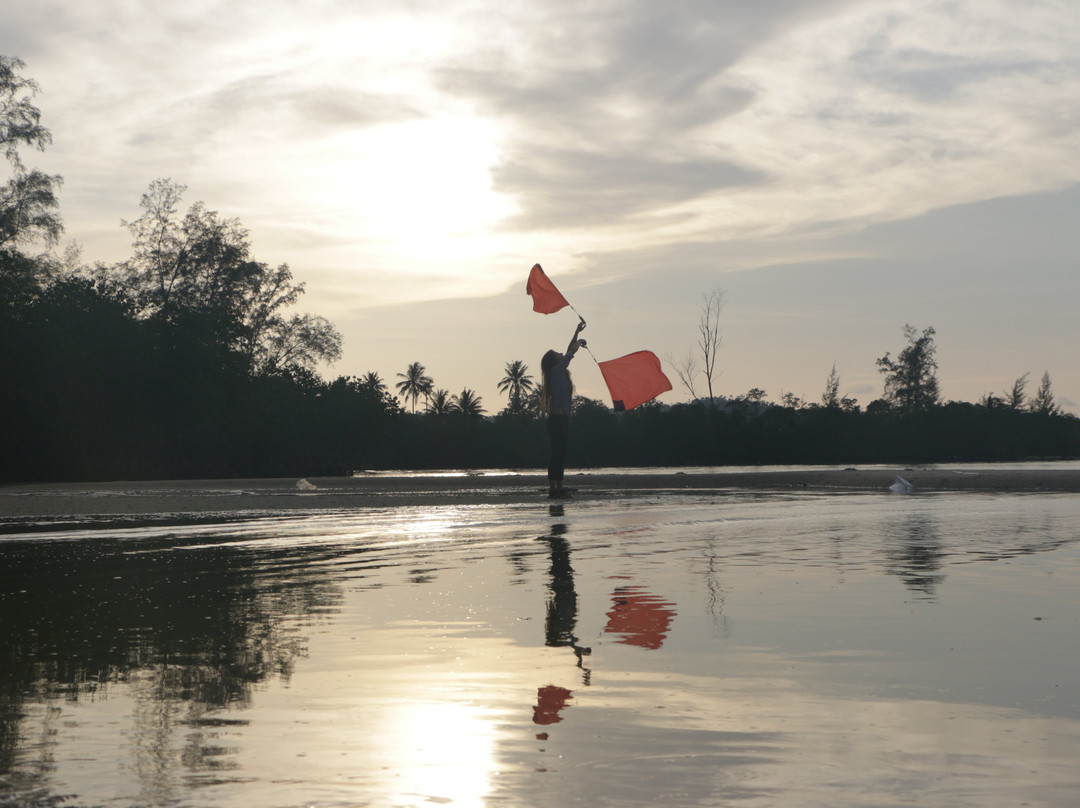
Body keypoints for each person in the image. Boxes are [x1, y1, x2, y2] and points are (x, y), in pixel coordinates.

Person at [540, 319, 586, 498]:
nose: (561, 353)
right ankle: (553, 488)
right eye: (557, 354)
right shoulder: (556, 371)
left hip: (562, 419)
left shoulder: (559, 370)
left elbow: (568, 352)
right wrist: (579, 342)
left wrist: (576, 331)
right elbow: (571, 352)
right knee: (556, 454)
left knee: (561, 453)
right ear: (554, 360)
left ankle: (559, 486)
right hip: (557, 420)